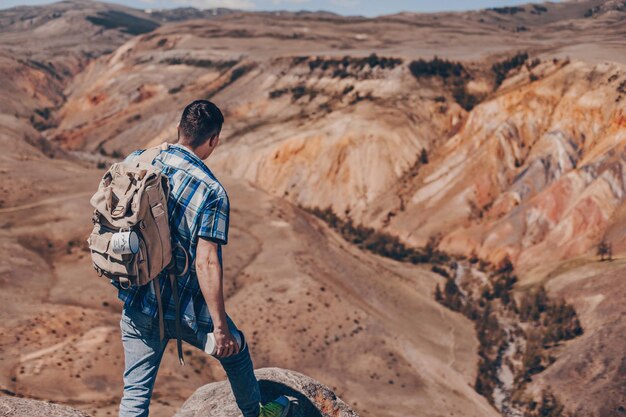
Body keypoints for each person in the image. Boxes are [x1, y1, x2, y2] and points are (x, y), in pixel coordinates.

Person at [112, 100, 290, 417]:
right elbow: (206, 262)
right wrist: (220, 327)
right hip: (187, 309)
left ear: (180, 129)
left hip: (139, 300)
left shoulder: (139, 159)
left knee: (135, 398)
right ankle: (256, 412)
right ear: (213, 139)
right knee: (235, 350)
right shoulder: (212, 191)